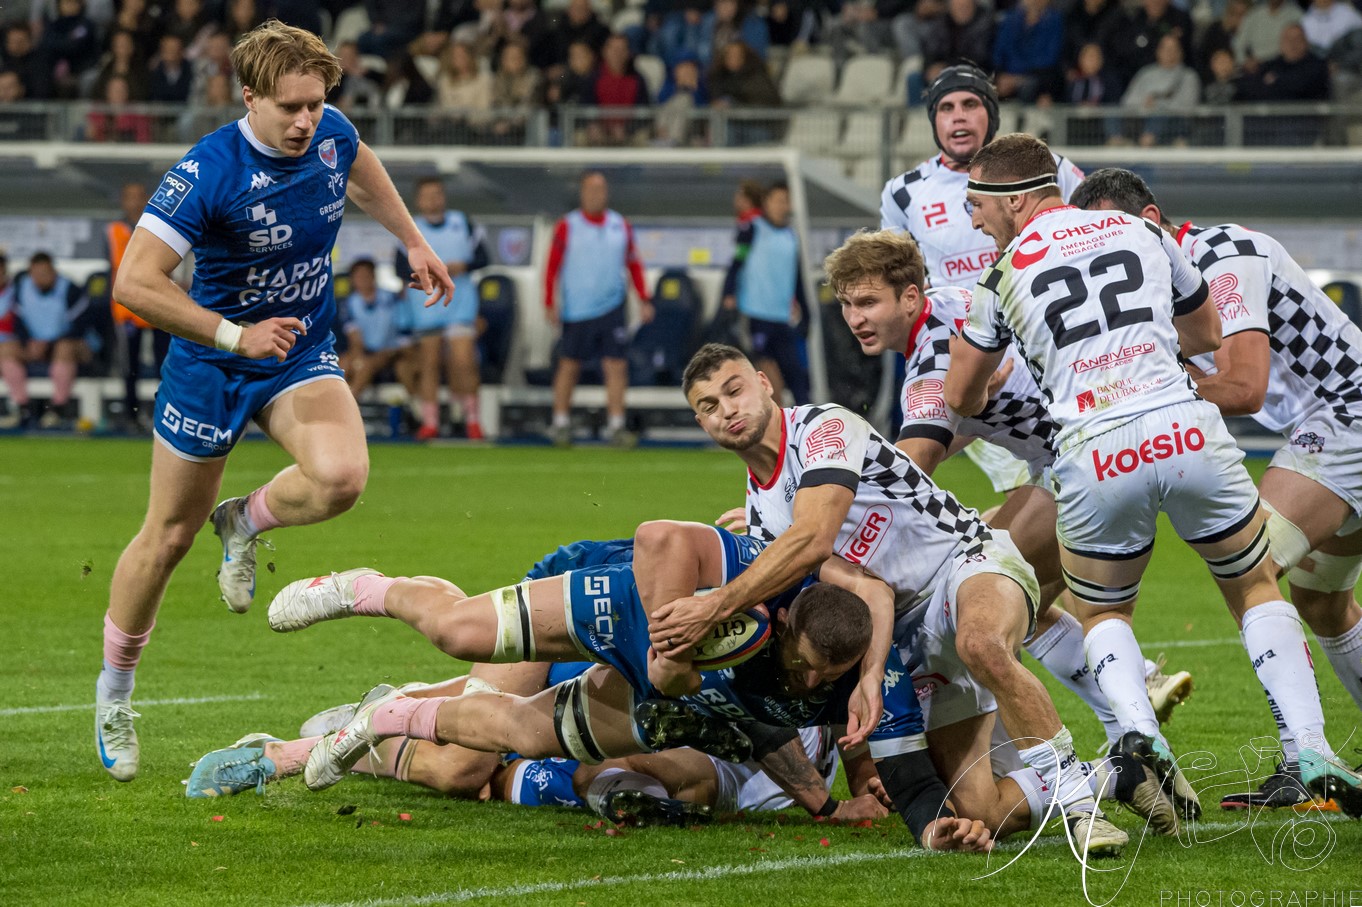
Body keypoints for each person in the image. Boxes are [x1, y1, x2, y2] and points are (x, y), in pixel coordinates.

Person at [944, 132, 1362, 821]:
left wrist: (1001, 383)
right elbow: (1205, 333)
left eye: (977, 204)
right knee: (1258, 583)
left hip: (1098, 447)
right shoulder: (1142, 234)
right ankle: (1313, 749)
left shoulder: (1001, 274)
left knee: (1103, 610)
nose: (974, 218)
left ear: (1014, 200)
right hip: (1185, 426)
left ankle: (1141, 739)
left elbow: (960, 397)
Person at [94, 20, 454, 783]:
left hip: (296, 347)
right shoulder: (208, 170)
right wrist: (234, 334)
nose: (305, 121)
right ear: (249, 97)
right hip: (212, 360)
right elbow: (135, 282)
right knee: (167, 536)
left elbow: (359, 164)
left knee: (342, 476)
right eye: (290, 107)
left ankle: (244, 520)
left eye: (315, 104)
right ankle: (114, 694)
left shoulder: (330, 133)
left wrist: (412, 239)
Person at [653, 343, 1137, 857]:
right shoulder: (760, 514)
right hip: (906, 631)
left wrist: (714, 605)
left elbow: (814, 536)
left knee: (980, 642)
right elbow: (851, 598)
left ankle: (1081, 809)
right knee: (981, 809)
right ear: (701, 423)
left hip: (962, 560)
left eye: (734, 390)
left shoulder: (823, 427)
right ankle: (1121, 772)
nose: (727, 410)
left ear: (764, 384)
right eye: (709, 406)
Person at [263, 523, 995, 850]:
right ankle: (361, 586)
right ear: (784, 616)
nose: (807, 682)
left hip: (672, 701)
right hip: (627, 611)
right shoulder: (766, 576)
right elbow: (659, 537)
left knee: (522, 731)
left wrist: (935, 826)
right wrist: (678, 637)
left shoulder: (876, 681)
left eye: (822, 678)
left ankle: (385, 716)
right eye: (800, 663)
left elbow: (907, 777)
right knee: (457, 630)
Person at [829, 228, 1190, 755]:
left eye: (867, 302)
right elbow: (951, 429)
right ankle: (1132, 711)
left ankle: (1067, 750)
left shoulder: (932, 358)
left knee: (977, 596)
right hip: (1102, 451)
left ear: (909, 297)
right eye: (846, 304)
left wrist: (813, 500)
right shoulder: (954, 302)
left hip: (1081, 463)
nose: (854, 317)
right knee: (1015, 598)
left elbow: (910, 467)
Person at [1070, 167, 1362, 816]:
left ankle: (1303, 756)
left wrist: (1136, 394)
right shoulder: (1158, 291)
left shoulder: (1223, 254)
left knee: (1251, 569)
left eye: (1112, 231)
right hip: (1332, 426)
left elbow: (1245, 386)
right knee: (1321, 603)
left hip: (1349, 418)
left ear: (1151, 219)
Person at [543, 170, 652, 448]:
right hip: (577, 309)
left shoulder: (620, 225)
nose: (596, 195)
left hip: (612, 306)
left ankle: (616, 426)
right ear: (582, 193)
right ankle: (560, 423)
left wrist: (644, 298)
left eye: (600, 189)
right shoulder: (567, 225)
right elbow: (552, 266)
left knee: (616, 366)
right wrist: (549, 301)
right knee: (569, 365)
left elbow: (633, 263)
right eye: (590, 189)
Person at [399, 177, 490, 440]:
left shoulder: (463, 223)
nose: (433, 199)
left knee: (464, 362)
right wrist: (426, 272)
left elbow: (484, 258)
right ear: (418, 200)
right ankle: (430, 422)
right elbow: (399, 267)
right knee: (429, 364)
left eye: (437, 194)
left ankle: (472, 420)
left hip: (459, 303)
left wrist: (463, 266)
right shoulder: (409, 227)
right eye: (427, 195)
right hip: (426, 306)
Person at [721, 181, 809, 406]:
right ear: (766, 203)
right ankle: (775, 419)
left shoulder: (791, 236)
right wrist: (728, 294)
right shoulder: (751, 229)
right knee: (767, 372)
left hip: (781, 316)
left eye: (785, 201)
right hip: (755, 314)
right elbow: (736, 263)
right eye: (777, 200)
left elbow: (797, 277)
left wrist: (807, 312)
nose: (781, 205)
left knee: (797, 375)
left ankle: (806, 421)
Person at [0, 252, 91, 429]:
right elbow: (19, 323)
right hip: (36, 346)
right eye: (36, 274)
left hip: (69, 345)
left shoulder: (70, 289)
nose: (41, 278)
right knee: (6, 349)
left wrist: (47, 344)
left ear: (53, 271)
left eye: (45, 273)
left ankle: (57, 409)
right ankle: (23, 408)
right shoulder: (22, 288)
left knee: (64, 348)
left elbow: (80, 328)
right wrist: (29, 342)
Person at [106, 181, 170, 431]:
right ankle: (131, 416)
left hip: (159, 304)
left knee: (164, 364)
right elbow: (109, 269)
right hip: (127, 308)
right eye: (129, 197)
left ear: (147, 198)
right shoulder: (114, 230)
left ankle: (164, 413)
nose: (134, 202)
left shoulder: (160, 226)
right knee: (129, 366)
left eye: (139, 196)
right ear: (123, 201)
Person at [339, 257, 415, 403]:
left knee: (366, 365)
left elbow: (404, 333)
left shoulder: (393, 298)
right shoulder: (349, 303)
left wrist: (398, 350)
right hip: (366, 350)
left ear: (373, 276)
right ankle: (335, 401)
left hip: (392, 351)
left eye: (366, 275)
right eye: (358, 276)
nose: (362, 279)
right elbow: (355, 338)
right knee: (343, 364)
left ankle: (348, 404)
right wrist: (357, 358)